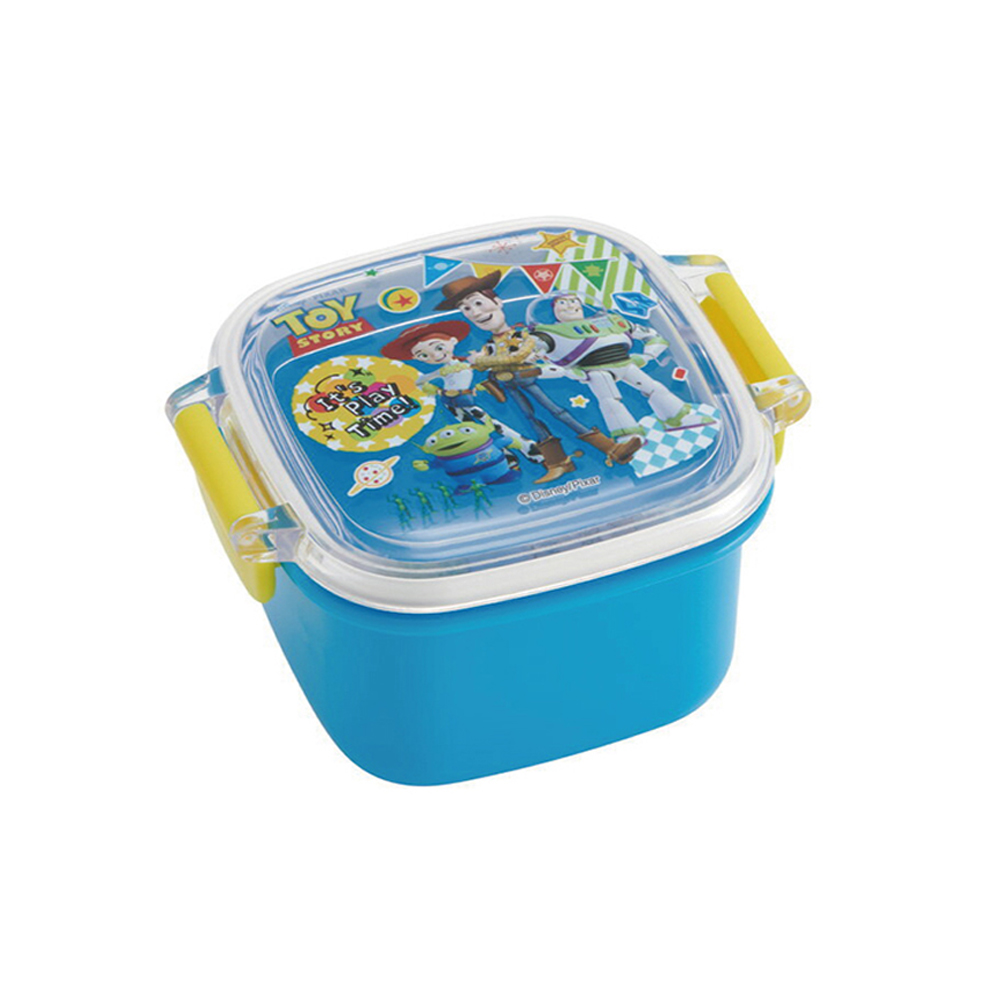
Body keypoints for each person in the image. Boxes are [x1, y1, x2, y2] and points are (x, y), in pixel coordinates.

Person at [435, 272, 639, 478]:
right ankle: (558, 463)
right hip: (510, 385)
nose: (475, 312)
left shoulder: (524, 333)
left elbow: (518, 356)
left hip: (533, 378)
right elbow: (484, 366)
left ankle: (612, 449)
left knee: (558, 412)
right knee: (531, 419)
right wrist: (475, 363)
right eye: (466, 309)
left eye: (478, 303)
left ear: (497, 302)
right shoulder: (489, 344)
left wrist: (482, 361)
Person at [527, 292, 710, 446]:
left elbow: (654, 337)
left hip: (626, 363)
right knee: (610, 400)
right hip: (595, 370)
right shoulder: (549, 334)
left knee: (655, 389)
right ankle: (628, 436)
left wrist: (647, 356)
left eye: (574, 301)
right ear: (554, 310)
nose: (569, 306)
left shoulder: (611, 321)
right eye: (562, 303)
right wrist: (541, 362)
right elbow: (529, 354)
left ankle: (678, 418)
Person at [381, 319, 542, 465]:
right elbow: (420, 381)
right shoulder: (444, 370)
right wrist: (433, 389)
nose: (435, 355)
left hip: (466, 399)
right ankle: (506, 457)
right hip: (450, 402)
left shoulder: (467, 363)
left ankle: (527, 447)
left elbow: (489, 369)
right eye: (423, 355)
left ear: (452, 341)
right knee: (473, 433)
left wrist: (481, 384)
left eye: (439, 347)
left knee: (493, 425)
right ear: (415, 358)